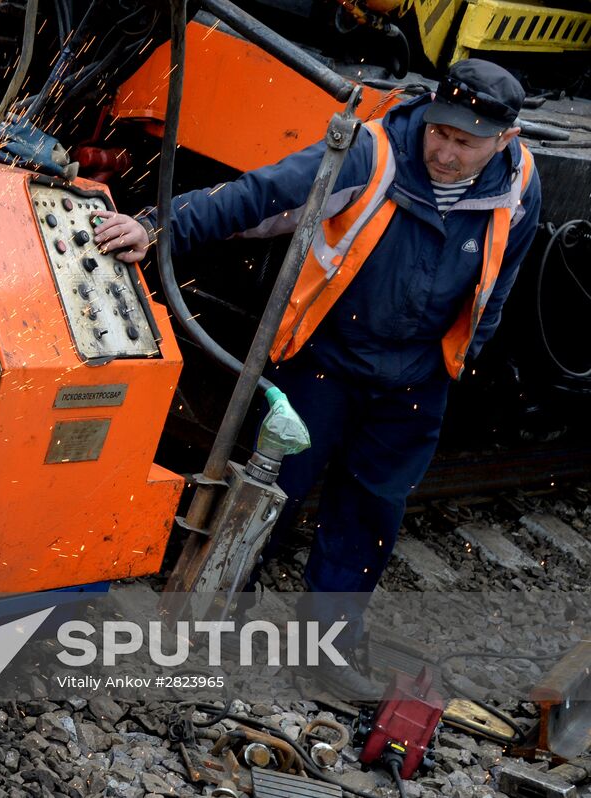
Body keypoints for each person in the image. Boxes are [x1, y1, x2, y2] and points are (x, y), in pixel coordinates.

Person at [91, 59, 541, 697]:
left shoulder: (521, 182)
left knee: (371, 508)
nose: (444, 150)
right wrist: (158, 225)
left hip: (418, 373)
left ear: (505, 138)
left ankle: (326, 647)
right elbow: (262, 192)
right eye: (440, 132)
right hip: (330, 358)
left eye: (465, 142)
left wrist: (468, 352)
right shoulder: (371, 152)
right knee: (273, 488)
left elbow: (503, 276)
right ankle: (209, 624)